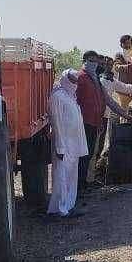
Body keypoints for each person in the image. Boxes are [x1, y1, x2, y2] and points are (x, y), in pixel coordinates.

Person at [77, 50, 132, 191]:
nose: (94, 64)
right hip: (83, 124)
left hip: (95, 123)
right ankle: (80, 185)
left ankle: (86, 182)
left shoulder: (95, 79)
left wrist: (127, 116)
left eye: (96, 61)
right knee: (83, 156)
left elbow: (109, 101)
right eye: (91, 61)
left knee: (91, 153)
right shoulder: (80, 78)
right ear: (84, 61)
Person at [48, 70, 88, 218]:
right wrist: (59, 146)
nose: (75, 84)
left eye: (76, 81)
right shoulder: (57, 96)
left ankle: (69, 206)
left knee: (71, 176)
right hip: (63, 144)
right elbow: (56, 123)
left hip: (73, 144)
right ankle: (60, 209)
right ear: (65, 80)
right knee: (61, 177)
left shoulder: (70, 96)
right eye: (72, 80)